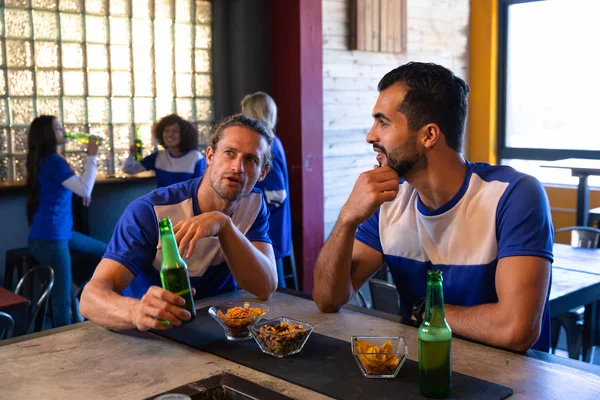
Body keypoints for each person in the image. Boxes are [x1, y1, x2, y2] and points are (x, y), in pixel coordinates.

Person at [312, 62, 553, 352]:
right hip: (422, 370)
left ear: (428, 135)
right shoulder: (389, 199)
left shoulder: (513, 195)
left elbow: (516, 329)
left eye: (383, 123)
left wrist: (427, 312)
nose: (371, 136)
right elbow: (327, 299)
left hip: (511, 383)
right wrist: (347, 219)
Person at [80, 114, 278, 331]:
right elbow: (90, 299)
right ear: (210, 156)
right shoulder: (150, 211)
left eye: (251, 160)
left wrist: (223, 224)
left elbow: (265, 286)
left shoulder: (253, 204)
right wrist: (136, 311)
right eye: (229, 153)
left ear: (262, 173)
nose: (237, 167)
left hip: (218, 331)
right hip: (152, 334)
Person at [26, 116, 107, 328]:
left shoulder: (48, 160)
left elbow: (79, 189)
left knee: (105, 253)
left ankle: (75, 288)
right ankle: (66, 340)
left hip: (55, 235)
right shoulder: (53, 161)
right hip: (51, 239)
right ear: (47, 134)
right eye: (57, 128)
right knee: (61, 302)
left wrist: (81, 191)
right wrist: (91, 156)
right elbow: (84, 189)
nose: (63, 130)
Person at [241, 92, 292, 288]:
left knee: (272, 283)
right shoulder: (271, 140)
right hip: (270, 222)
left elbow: (277, 194)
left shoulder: (266, 144)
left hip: (270, 223)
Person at [123, 114, 206, 187]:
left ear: (184, 135)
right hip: (161, 204)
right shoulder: (158, 156)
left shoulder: (195, 158)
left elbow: (199, 189)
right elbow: (129, 169)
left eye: (175, 131)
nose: (170, 134)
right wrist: (132, 154)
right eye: (166, 130)